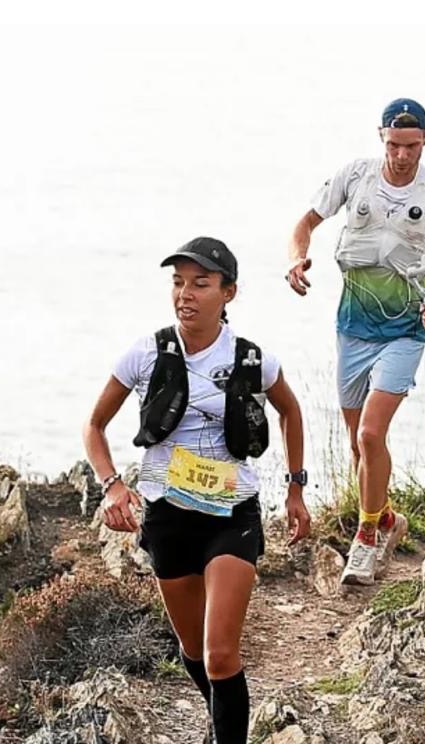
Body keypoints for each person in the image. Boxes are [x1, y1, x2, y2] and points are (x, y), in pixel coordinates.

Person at [83, 236, 312, 744]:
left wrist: (296, 490)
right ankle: (221, 721)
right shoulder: (146, 353)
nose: (185, 294)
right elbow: (94, 426)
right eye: (178, 282)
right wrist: (112, 486)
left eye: (200, 284)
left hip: (233, 515)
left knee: (220, 653)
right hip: (169, 517)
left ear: (228, 292)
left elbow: (291, 411)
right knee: (192, 649)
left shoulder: (253, 360)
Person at [284, 98, 425, 586]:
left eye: (411, 146)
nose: (401, 155)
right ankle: (388, 520)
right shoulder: (356, 177)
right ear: (380, 137)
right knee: (357, 446)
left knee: (370, 434)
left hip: (406, 329)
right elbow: (304, 224)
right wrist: (297, 259)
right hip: (353, 326)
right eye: (393, 144)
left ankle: (365, 541)